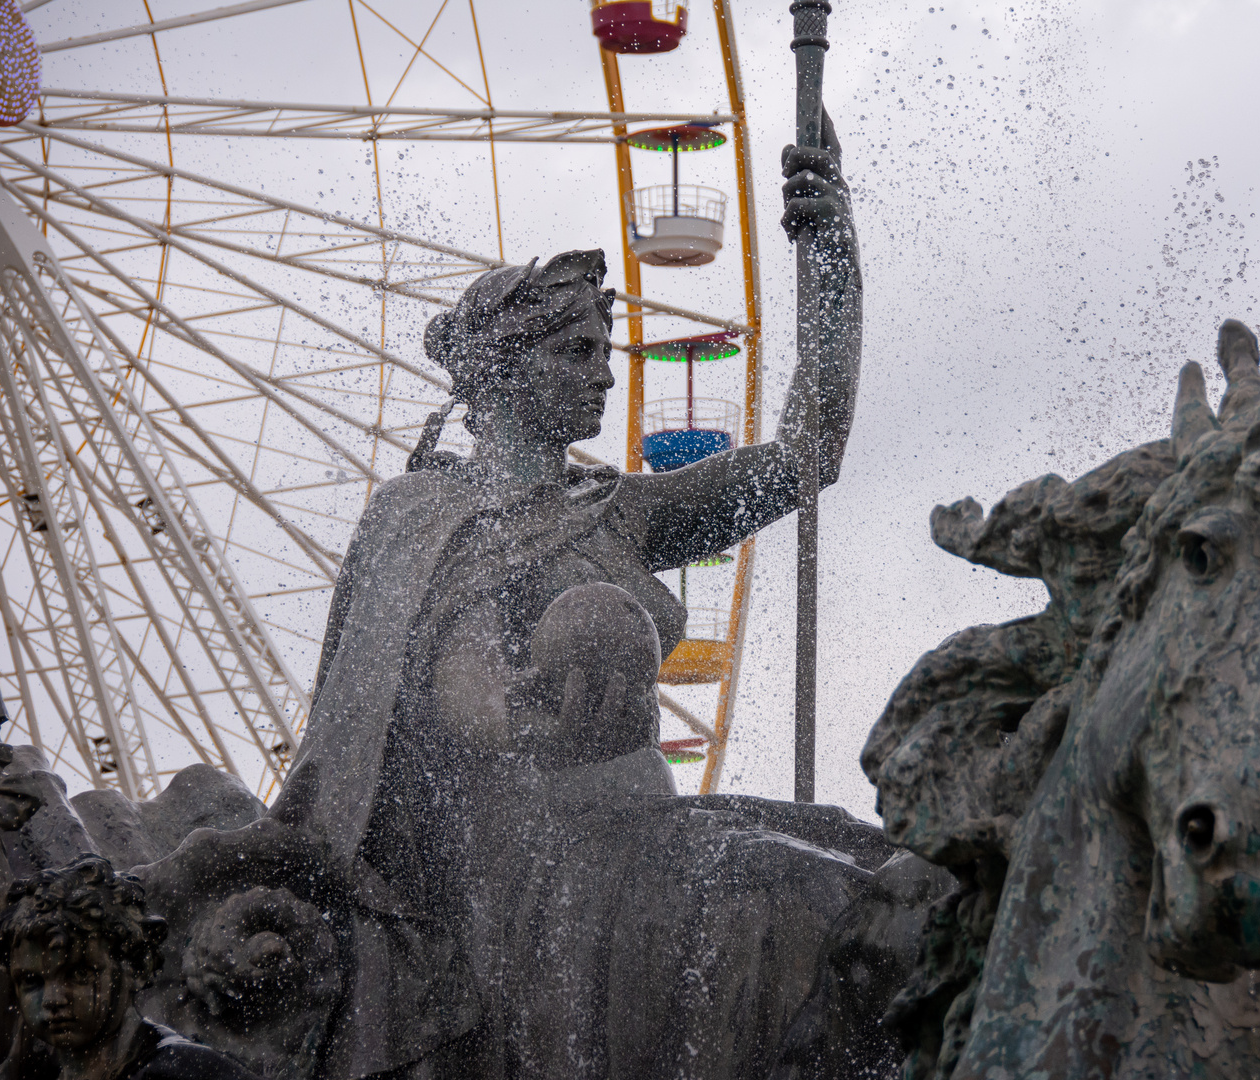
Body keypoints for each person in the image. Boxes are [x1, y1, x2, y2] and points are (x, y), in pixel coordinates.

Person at [248, 113, 868, 1079]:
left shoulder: (620, 512)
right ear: (500, 369)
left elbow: (808, 455)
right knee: (765, 888)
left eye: (606, 350)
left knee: (852, 863)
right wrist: (578, 676)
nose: (605, 374)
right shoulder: (426, 515)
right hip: (521, 871)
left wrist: (833, 265)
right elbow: (450, 704)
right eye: (574, 354)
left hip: (641, 830)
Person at [0, 856, 259, 1080]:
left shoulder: (182, 1070)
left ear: (138, 966)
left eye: (79, 974)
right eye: (32, 981)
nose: (52, 1000)